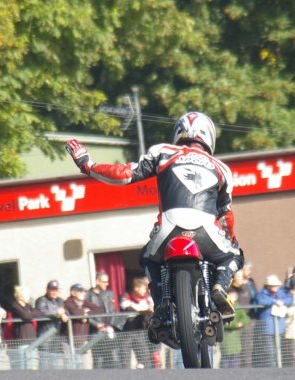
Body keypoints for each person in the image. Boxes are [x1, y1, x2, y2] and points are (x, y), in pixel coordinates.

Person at [64, 112, 244, 325]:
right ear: (209, 137)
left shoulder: (164, 152)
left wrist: (88, 166)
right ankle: (220, 287)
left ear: (178, 132)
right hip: (207, 231)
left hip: (169, 228)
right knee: (234, 255)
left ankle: (160, 304)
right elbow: (226, 215)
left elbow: (124, 174)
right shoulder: (222, 168)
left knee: (148, 259)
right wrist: (231, 238)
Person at [255, 275, 293, 368]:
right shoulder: (261, 294)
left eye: (276, 285)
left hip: (279, 328)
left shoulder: (281, 293)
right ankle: (271, 370)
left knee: (279, 351)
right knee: (270, 353)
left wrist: (282, 302)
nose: (275, 287)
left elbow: (290, 299)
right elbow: (261, 301)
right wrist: (274, 301)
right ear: (267, 286)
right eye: (273, 285)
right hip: (267, 329)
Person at [87, 272, 123, 369]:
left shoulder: (109, 293)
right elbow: (86, 315)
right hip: (96, 331)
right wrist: (97, 325)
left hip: (108, 330)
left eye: (107, 282)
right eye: (104, 282)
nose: (106, 284)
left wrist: (110, 325)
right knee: (98, 360)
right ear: (97, 281)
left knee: (113, 358)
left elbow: (112, 311)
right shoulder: (88, 295)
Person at [63, 283, 101, 369]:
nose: (83, 293)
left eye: (84, 291)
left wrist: (86, 314)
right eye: (80, 291)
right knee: (70, 367)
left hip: (82, 341)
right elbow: (76, 312)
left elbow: (98, 309)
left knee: (82, 367)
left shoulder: (84, 302)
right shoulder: (68, 302)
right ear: (73, 293)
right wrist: (84, 312)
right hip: (69, 342)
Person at [119, 278, 154, 369]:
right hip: (127, 332)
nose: (145, 290)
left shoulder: (147, 297)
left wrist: (145, 308)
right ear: (136, 288)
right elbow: (125, 305)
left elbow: (151, 306)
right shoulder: (126, 296)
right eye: (143, 288)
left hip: (140, 331)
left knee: (144, 355)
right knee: (125, 356)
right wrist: (140, 308)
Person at [35, 280, 69, 369]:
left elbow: (67, 311)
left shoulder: (60, 300)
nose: (54, 292)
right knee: (45, 362)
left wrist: (64, 314)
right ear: (47, 290)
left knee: (55, 362)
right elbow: (42, 312)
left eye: (56, 290)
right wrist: (57, 313)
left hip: (56, 335)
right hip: (45, 335)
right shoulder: (41, 300)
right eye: (52, 289)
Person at [8, 286, 44, 370]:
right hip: (22, 339)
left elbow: (39, 313)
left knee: (32, 366)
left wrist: (31, 314)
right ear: (21, 296)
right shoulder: (15, 305)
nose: (29, 297)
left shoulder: (28, 306)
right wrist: (31, 315)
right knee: (23, 366)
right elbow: (26, 315)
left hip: (32, 340)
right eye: (28, 295)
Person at [219, 286, 250, 368]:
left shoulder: (237, 307)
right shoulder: (222, 308)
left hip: (236, 345)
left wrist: (242, 323)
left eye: (234, 296)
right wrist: (235, 325)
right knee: (225, 365)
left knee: (235, 365)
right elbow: (223, 323)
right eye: (230, 296)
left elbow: (246, 318)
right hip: (225, 344)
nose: (233, 298)